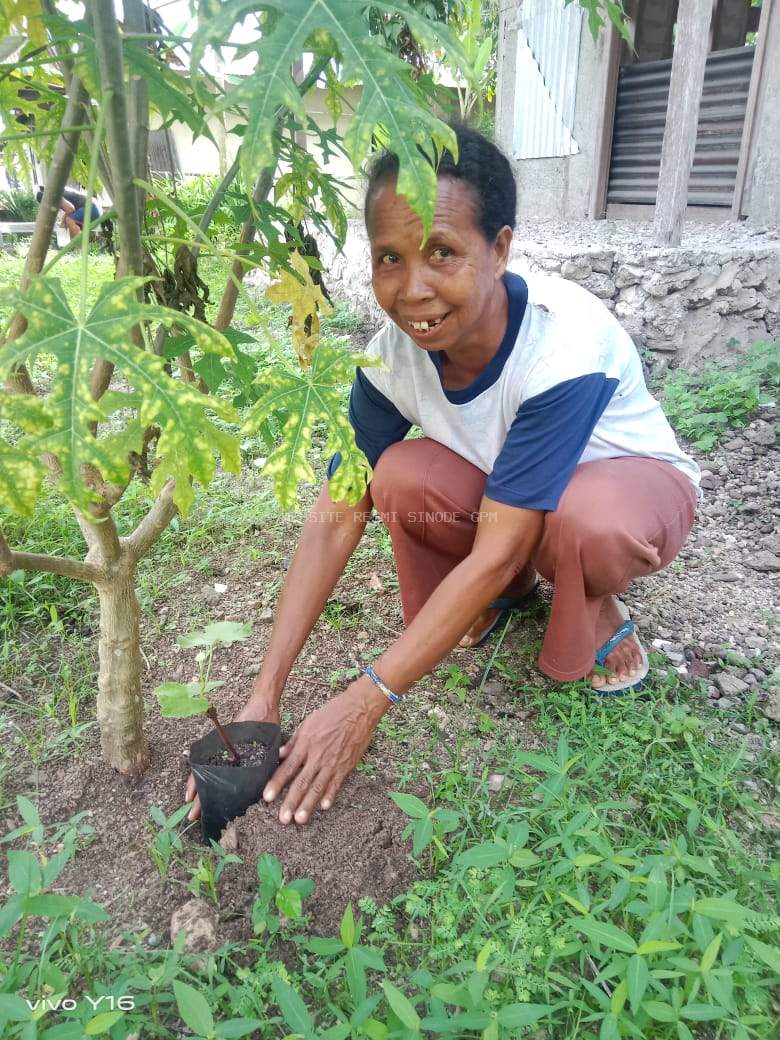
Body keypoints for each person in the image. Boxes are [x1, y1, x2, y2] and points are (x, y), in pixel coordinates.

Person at [185, 125, 700, 827]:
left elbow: (495, 547)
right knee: (392, 473)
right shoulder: (390, 357)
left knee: (583, 523)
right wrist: (264, 696)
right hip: (512, 493)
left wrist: (367, 699)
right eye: (389, 258)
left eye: (443, 253)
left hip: (621, 487)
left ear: (501, 249)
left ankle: (594, 604)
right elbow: (336, 514)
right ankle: (510, 594)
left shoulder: (563, 343)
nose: (413, 289)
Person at [36, 185, 100, 239]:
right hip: (94, 209)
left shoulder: (55, 196)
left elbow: (70, 209)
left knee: (69, 219)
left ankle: (75, 247)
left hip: (91, 209)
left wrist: (63, 222)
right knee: (67, 221)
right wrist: (62, 223)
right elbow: (70, 210)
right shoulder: (58, 190)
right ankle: (75, 245)